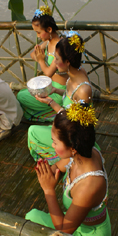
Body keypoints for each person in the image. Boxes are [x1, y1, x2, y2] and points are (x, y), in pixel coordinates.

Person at [25, 101, 113, 236]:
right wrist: (47, 172)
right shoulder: (84, 150)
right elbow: (60, 166)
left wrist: (49, 190)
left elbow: (64, 232)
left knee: (32, 217)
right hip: (78, 222)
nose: (52, 146)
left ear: (72, 147)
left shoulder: (89, 185)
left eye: (55, 143)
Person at [27, 32, 94, 164]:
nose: (54, 62)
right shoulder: (77, 71)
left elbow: (76, 125)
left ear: (67, 61)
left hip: (73, 139)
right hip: (66, 127)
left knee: (32, 132)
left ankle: (66, 161)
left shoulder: (84, 90)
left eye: (57, 59)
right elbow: (70, 95)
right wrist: (56, 90)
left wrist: (51, 102)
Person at [17, 6, 68, 122]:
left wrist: (41, 60)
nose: (38, 36)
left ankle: (53, 113)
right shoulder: (48, 42)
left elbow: (49, 72)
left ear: (49, 29)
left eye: (39, 32)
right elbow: (32, 55)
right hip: (50, 86)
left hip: (59, 90)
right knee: (22, 92)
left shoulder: (59, 46)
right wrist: (40, 55)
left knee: (21, 97)